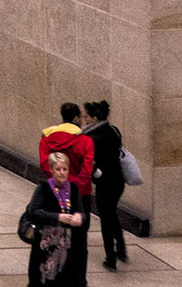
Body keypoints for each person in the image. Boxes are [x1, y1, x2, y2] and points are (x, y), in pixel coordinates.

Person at [24, 150, 90, 286]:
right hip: (46, 244)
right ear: (51, 170)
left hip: (67, 244)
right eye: (58, 169)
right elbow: (33, 211)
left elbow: (81, 212)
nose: (62, 172)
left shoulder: (73, 188)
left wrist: (78, 216)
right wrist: (58, 217)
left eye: (64, 169)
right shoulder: (43, 188)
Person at [81, 101, 126, 270]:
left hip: (104, 182)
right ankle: (121, 249)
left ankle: (111, 258)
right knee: (111, 213)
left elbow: (89, 161)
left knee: (105, 218)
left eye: (86, 116)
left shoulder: (91, 138)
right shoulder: (114, 131)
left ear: (94, 117)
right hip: (118, 180)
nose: (84, 120)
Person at [39, 103, 96, 206]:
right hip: (80, 193)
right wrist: (76, 187)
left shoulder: (46, 138)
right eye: (80, 117)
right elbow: (87, 169)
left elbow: (45, 164)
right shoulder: (86, 141)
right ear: (75, 119)